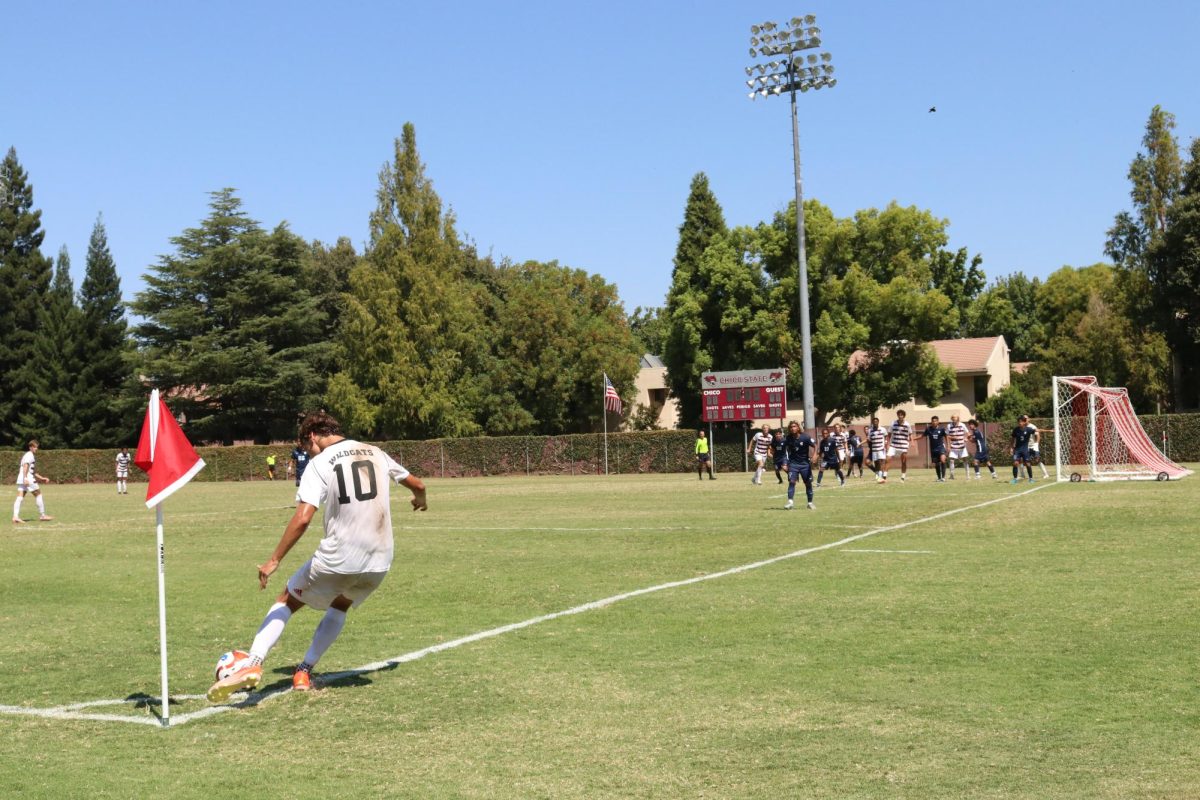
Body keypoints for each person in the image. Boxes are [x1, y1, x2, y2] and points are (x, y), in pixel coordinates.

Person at [207, 411, 428, 702]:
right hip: (380, 559)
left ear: (311, 436)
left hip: (341, 556)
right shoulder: (376, 452)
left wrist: (273, 560)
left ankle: (253, 663)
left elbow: (302, 518)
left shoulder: (320, 463)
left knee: (286, 600)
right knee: (340, 605)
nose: (306, 453)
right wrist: (420, 500)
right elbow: (419, 485)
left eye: (305, 448)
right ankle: (303, 671)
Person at [12, 440, 53, 523]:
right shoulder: (29, 455)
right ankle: (42, 515)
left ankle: (15, 517)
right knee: (38, 494)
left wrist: (42, 478)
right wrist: (26, 478)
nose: (36, 448)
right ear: (30, 447)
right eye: (34, 447)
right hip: (27, 478)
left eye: (37, 447)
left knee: (20, 497)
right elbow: (25, 467)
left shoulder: (28, 455)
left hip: (22, 478)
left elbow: (32, 471)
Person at [781, 421, 816, 510]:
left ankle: (810, 503)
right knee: (792, 482)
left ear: (798, 428)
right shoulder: (788, 439)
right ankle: (790, 502)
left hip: (805, 465)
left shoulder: (805, 437)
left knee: (808, 484)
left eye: (794, 426)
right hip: (793, 464)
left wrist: (815, 455)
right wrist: (784, 463)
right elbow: (784, 451)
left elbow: (815, 445)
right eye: (791, 427)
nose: (793, 428)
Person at [887, 409, 914, 482]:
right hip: (894, 444)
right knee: (888, 459)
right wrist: (887, 443)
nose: (900, 416)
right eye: (899, 414)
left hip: (904, 445)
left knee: (903, 461)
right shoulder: (893, 423)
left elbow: (910, 434)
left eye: (901, 415)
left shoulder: (907, 424)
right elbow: (889, 434)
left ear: (904, 416)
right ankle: (884, 477)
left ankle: (903, 476)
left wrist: (912, 442)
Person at [1010, 414, 1036, 484]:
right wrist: (1011, 448)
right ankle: (1015, 479)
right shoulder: (1016, 430)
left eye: (1021, 422)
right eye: (1018, 422)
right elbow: (1012, 439)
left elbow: (1038, 430)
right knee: (1015, 463)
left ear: (1024, 422)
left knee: (1027, 464)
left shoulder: (1028, 429)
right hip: (1017, 450)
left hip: (1025, 450)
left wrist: (1049, 430)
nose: (1019, 423)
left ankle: (1031, 479)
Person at [923, 416, 948, 482]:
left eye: (935, 421)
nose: (934, 422)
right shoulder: (928, 429)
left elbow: (946, 436)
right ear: (931, 422)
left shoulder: (942, 429)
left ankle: (943, 477)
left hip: (941, 448)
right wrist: (913, 439)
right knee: (937, 464)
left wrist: (949, 446)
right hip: (933, 449)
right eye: (933, 421)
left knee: (943, 460)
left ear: (938, 422)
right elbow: (922, 436)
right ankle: (939, 478)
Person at [945, 414, 969, 480]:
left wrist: (966, 438)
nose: (954, 420)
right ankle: (952, 475)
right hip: (953, 446)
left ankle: (967, 475)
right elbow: (947, 436)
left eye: (955, 418)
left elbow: (968, 433)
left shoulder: (962, 425)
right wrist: (948, 445)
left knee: (965, 460)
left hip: (962, 446)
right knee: (951, 460)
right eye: (952, 418)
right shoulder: (949, 425)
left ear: (958, 419)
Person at [865, 416, 888, 482]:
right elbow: (869, 438)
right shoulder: (870, 430)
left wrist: (885, 444)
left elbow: (886, 436)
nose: (875, 423)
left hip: (881, 448)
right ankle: (878, 474)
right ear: (872, 423)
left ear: (878, 422)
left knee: (881, 462)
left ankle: (880, 476)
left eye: (876, 421)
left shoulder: (883, 429)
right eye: (874, 422)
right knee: (876, 462)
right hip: (874, 449)